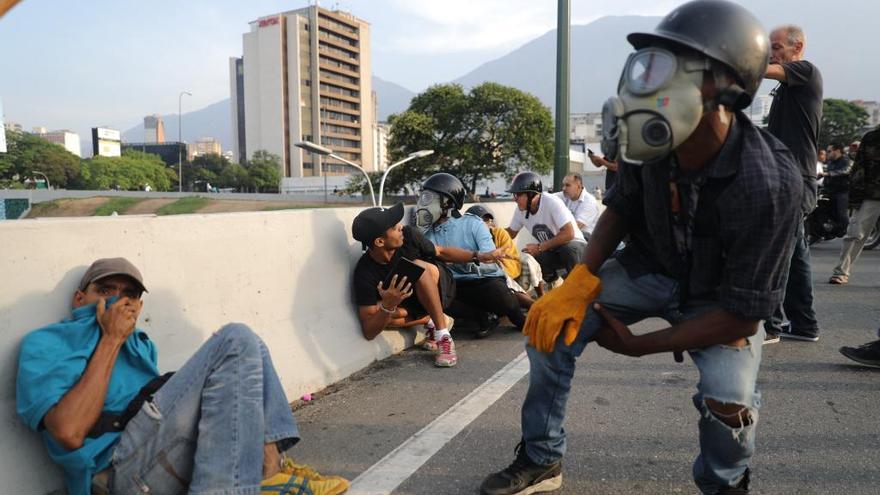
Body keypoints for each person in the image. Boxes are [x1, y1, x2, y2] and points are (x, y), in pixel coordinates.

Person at [480, 2, 801, 494]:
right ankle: (543, 459)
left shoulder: (770, 180)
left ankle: (726, 482)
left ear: (727, 88)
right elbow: (622, 208)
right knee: (549, 327)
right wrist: (581, 282)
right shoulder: (650, 140)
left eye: (673, 67)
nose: (650, 83)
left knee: (729, 400)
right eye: (651, 64)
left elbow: (743, 315)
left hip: (720, 300)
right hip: (649, 267)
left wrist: (638, 347)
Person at [16, 258, 348, 495]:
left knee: (250, 347)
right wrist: (111, 338)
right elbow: (69, 433)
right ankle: (249, 482)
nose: (117, 300)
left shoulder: (141, 346)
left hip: (159, 452)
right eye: (105, 290)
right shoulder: (46, 343)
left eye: (128, 295)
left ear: (138, 308)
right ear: (80, 298)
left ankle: (269, 471)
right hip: (117, 470)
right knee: (236, 338)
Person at [351, 202, 501, 366]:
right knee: (380, 313)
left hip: (439, 286)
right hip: (407, 300)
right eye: (394, 227)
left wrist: (478, 256)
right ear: (380, 242)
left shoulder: (408, 236)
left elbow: (441, 252)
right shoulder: (364, 272)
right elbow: (369, 330)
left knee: (419, 266)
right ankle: (429, 319)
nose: (401, 227)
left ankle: (443, 336)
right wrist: (387, 305)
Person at [763, 23, 823, 343]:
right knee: (795, 256)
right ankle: (804, 325)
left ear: (796, 47)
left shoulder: (805, 71)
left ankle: (771, 325)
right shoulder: (787, 86)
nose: (772, 54)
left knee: (777, 253)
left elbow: (759, 70)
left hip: (795, 181)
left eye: (776, 47)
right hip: (786, 179)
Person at [416, 173, 526, 338]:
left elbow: (488, 262)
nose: (424, 203)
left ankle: (520, 318)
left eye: (430, 198)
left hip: (483, 281)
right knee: (435, 297)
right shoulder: (427, 235)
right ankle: (482, 317)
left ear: (448, 202)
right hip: (455, 287)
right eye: (423, 197)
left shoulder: (473, 224)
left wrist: (457, 261)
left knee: (502, 297)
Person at [506, 171, 587, 284]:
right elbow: (511, 233)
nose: (515, 199)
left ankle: (580, 286)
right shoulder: (521, 210)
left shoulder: (551, 202)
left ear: (531, 195)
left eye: (518, 195)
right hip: (553, 250)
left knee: (567, 249)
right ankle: (554, 284)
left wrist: (539, 247)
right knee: (532, 257)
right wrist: (491, 233)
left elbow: (569, 233)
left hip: (576, 247)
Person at [465, 204, 544, 309]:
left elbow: (513, 258)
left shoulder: (500, 234)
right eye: (480, 221)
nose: (485, 223)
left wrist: (498, 264)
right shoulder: (466, 239)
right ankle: (532, 305)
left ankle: (541, 296)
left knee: (528, 260)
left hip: (514, 275)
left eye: (487, 220)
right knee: (499, 274)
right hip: (485, 281)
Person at [830, 125, 880, 284]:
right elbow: (858, 168)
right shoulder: (871, 138)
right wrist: (855, 198)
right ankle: (841, 271)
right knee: (855, 233)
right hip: (871, 194)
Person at [555, 172, 601, 239]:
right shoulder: (565, 195)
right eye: (563, 185)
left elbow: (575, 228)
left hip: (587, 241)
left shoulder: (590, 202)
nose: (563, 188)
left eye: (567, 185)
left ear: (579, 186)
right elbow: (548, 197)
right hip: (572, 238)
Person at [823, 143, 852, 236]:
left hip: (843, 191)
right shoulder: (830, 162)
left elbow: (846, 170)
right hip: (830, 190)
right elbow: (825, 174)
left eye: (829, 151)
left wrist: (829, 174)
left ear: (837, 151)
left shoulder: (846, 160)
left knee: (841, 213)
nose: (827, 153)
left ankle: (848, 232)